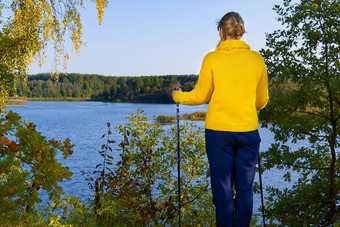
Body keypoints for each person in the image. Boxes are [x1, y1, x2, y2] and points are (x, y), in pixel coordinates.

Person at [172, 12, 269, 227]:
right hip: (248, 131)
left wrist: (177, 95)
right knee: (245, 190)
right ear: (241, 31)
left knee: (223, 189)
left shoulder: (212, 58)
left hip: (219, 133)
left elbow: (200, 96)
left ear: (221, 31)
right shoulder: (256, 59)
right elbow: (261, 101)